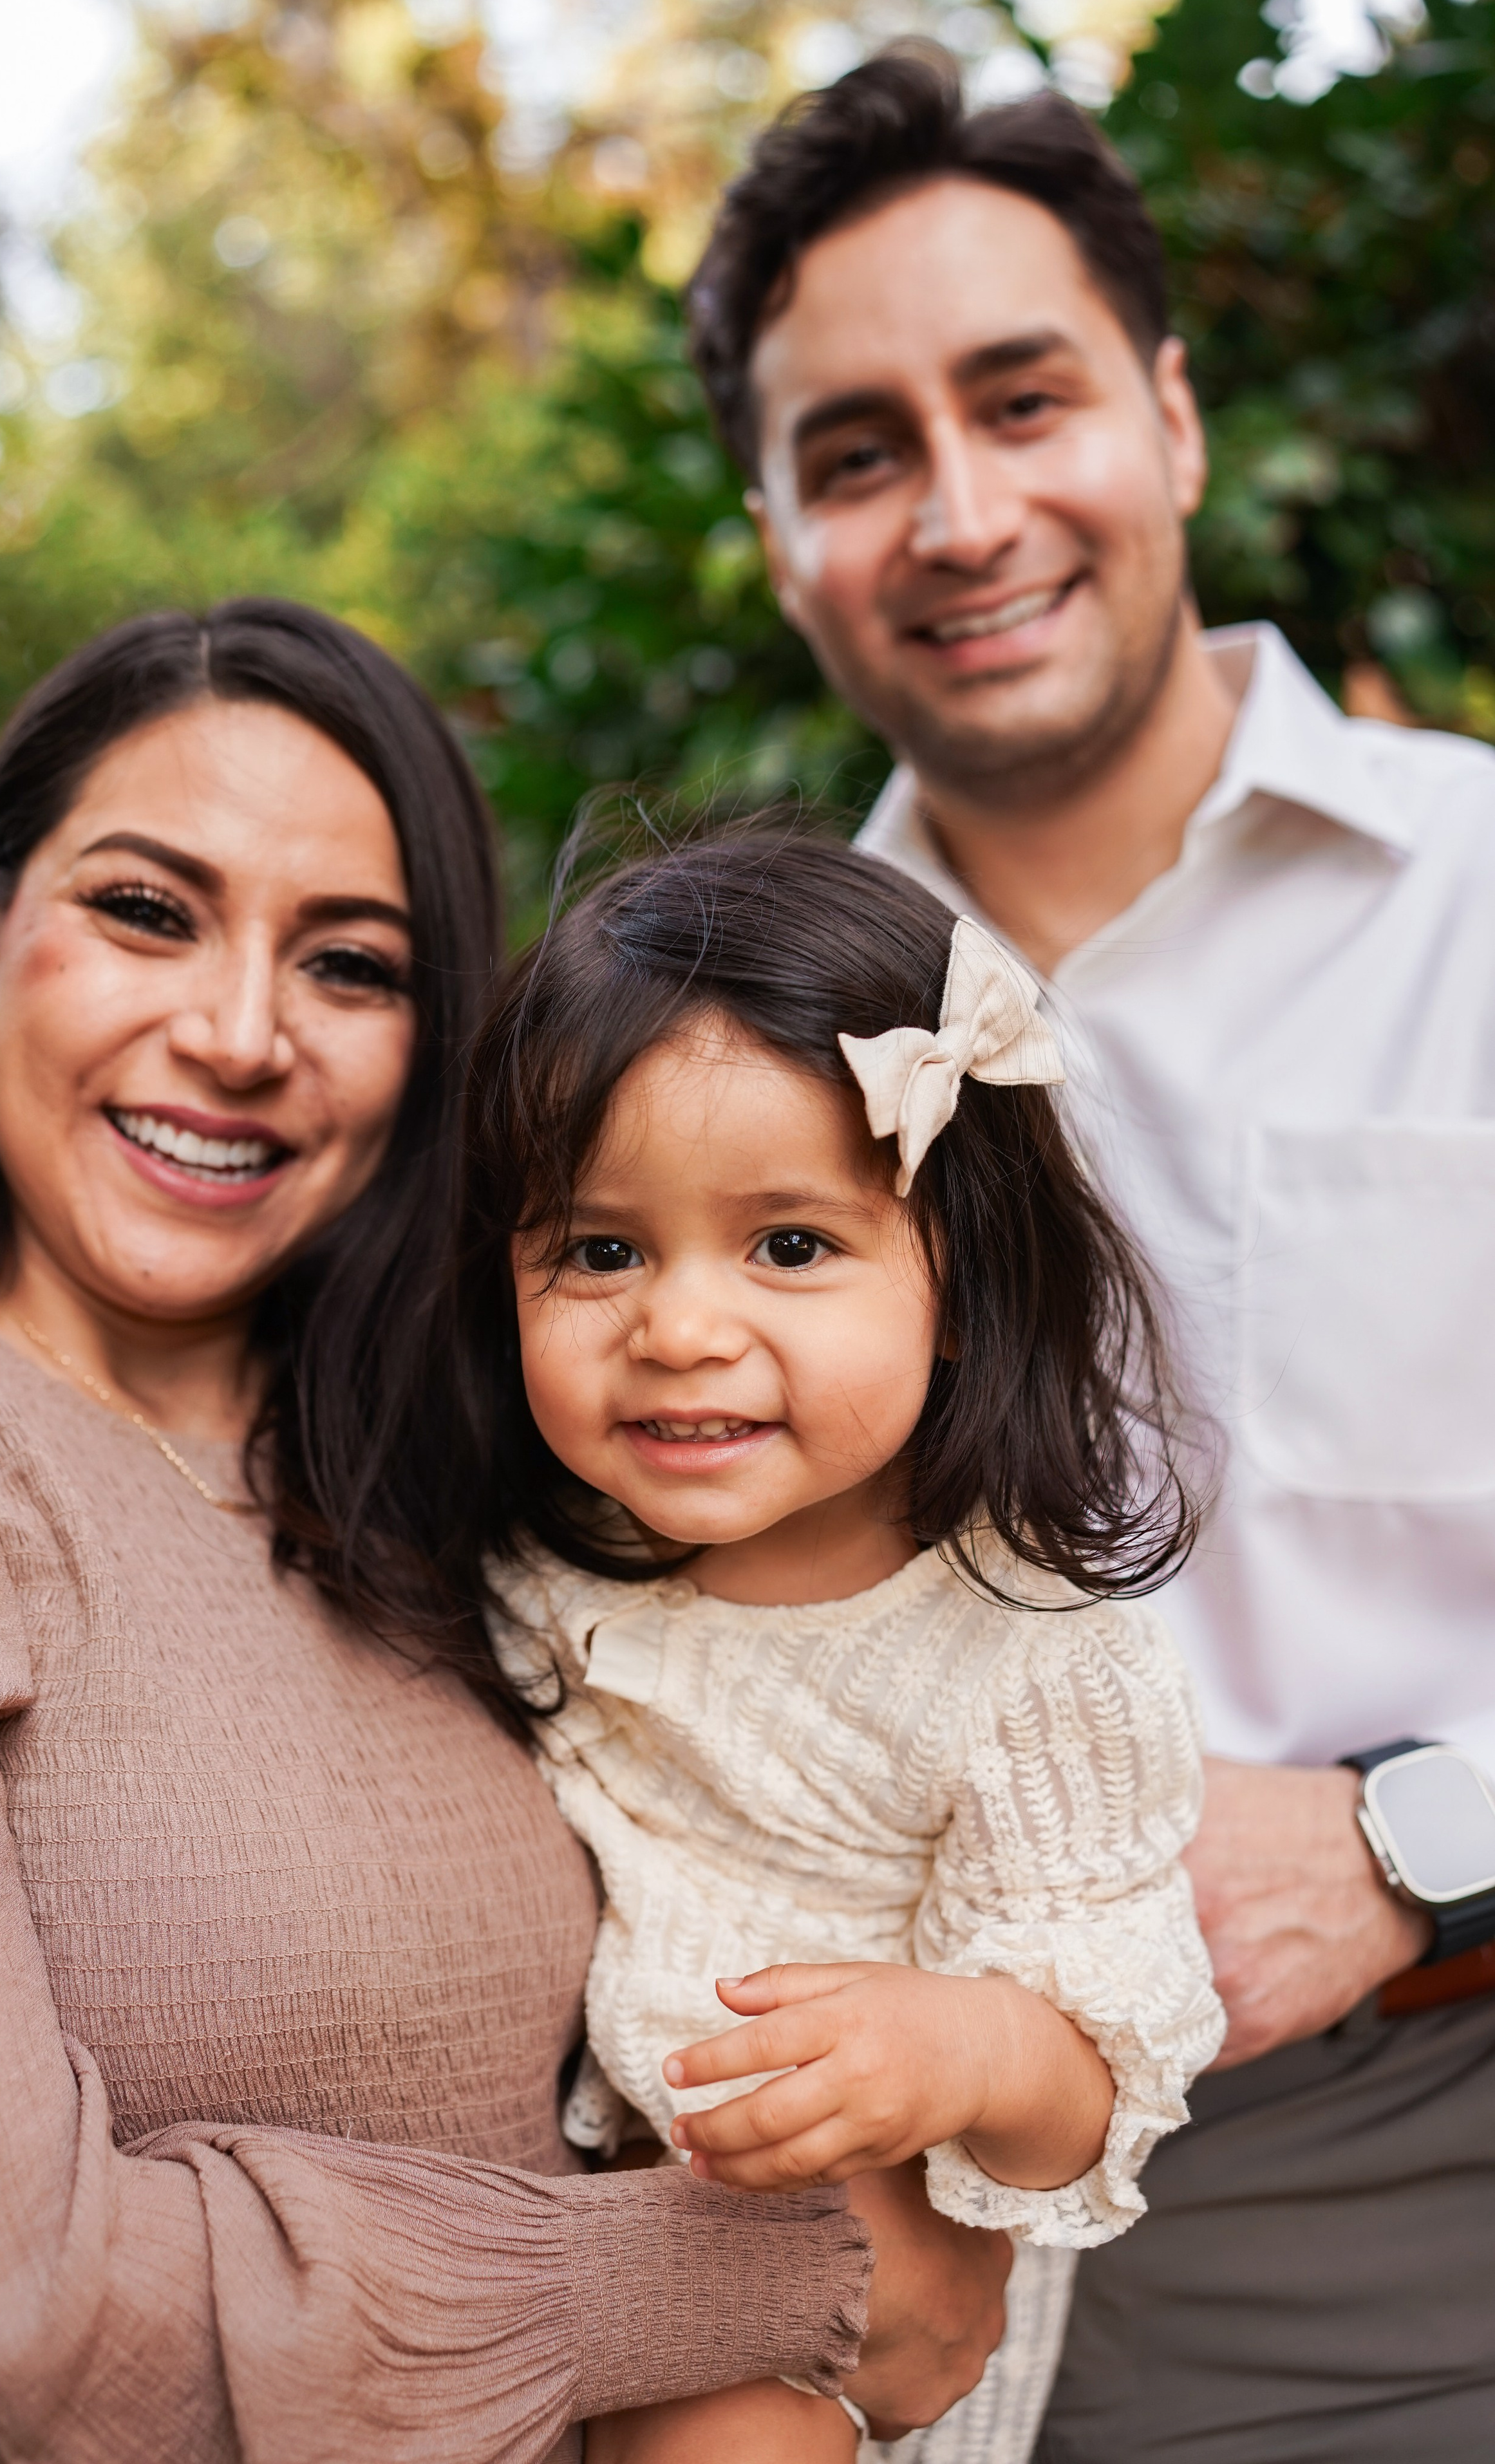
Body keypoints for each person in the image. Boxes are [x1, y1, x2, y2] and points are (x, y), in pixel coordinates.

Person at [0, 598, 1013, 2463]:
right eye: (148, 912)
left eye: (353, 966)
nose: (236, 1035)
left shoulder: (471, 1478)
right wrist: (776, 2278)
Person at [681, 42, 1495, 2461]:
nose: (959, 511)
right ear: (778, 533)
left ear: (1172, 420)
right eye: (856, 453)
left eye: (1022, 400)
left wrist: (1404, 1846)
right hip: (959, 2193)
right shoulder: (731, 1076)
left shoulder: (1486, 902)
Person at [444, 832, 1223, 2462]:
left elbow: (1104, 2057)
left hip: (849, 2304)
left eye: (789, 1246)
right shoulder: (541, 1562)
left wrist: (956, 2050)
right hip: (596, 2239)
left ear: (966, 1279)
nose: (676, 1328)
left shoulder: (1027, 1658)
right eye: (599, 1250)